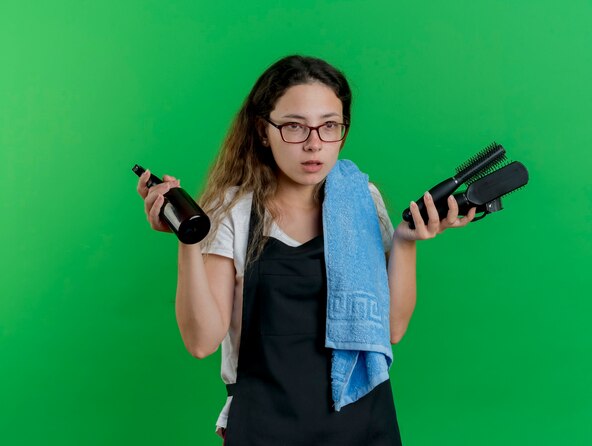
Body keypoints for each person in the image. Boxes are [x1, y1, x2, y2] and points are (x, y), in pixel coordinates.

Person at [136, 55, 476, 445]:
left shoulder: (362, 201)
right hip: (264, 428)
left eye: (329, 126)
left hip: (363, 424)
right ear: (264, 130)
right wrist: (188, 241)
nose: (314, 144)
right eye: (295, 126)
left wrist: (405, 242)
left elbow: (391, 330)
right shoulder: (234, 211)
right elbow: (201, 342)